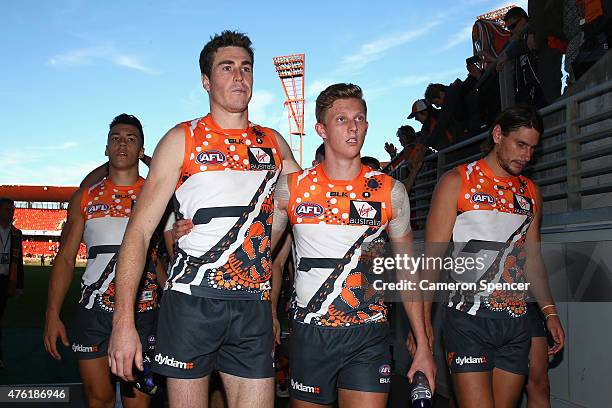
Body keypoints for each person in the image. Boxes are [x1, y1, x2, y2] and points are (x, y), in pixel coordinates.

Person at [108, 30, 300, 408]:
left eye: (246, 68)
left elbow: (307, 206)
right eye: (226, 68)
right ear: (206, 81)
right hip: (191, 303)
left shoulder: (274, 143)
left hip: (252, 306)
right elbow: (139, 232)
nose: (239, 76)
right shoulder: (182, 139)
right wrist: (123, 322)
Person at [271, 83, 436, 407]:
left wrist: (424, 344)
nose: (353, 127)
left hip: (369, 335)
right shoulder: (292, 189)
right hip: (311, 332)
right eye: (342, 119)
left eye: (359, 119)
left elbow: (406, 271)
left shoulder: (391, 191)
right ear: (321, 129)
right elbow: (262, 255)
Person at [424, 105, 564, 407]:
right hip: (467, 321)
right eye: (521, 145)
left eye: (532, 148)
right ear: (498, 135)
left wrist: (550, 312)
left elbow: (533, 259)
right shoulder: (456, 182)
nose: (527, 156)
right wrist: (421, 327)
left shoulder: (530, 192)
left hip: (515, 323)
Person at [44, 114, 160, 408]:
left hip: (142, 311)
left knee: (138, 404)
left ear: (142, 149)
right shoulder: (85, 198)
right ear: (106, 148)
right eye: (116, 139)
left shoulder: (157, 195)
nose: (122, 144)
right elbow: (66, 259)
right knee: (99, 400)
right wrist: (53, 313)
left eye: (131, 139)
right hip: (93, 310)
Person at [0, 198, 24, 369]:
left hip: (5, 280)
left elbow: (19, 260)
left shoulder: (16, 233)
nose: (11, 213)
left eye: (13, 210)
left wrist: (18, 285)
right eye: (8, 209)